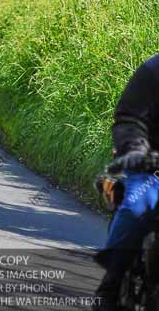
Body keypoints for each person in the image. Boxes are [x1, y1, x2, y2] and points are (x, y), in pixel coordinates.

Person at [95, 53, 159, 309]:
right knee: (137, 205)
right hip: (151, 167)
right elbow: (130, 118)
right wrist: (136, 150)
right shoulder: (154, 71)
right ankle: (112, 281)